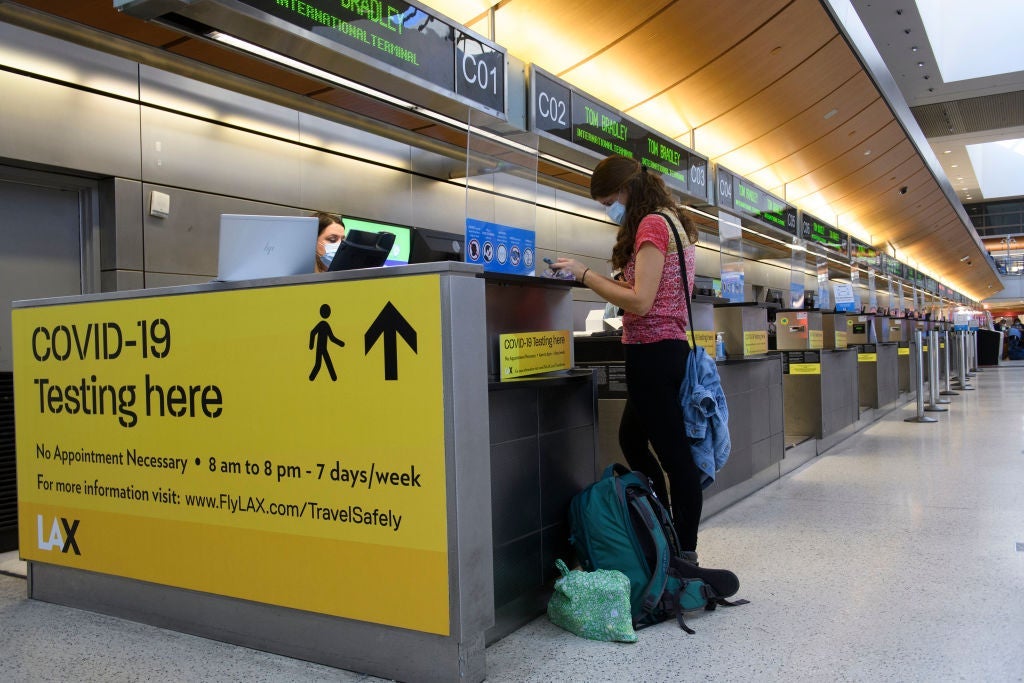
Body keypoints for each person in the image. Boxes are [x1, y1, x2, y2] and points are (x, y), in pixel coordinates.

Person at [551, 155, 702, 561]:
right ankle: (663, 528)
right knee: (632, 438)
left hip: (652, 353)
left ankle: (682, 554)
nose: (608, 211)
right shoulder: (673, 219)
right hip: (665, 350)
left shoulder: (653, 223)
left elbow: (641, 301)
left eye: (607, 202)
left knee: (676, 461)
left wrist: (584, 275)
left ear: (625, 190)